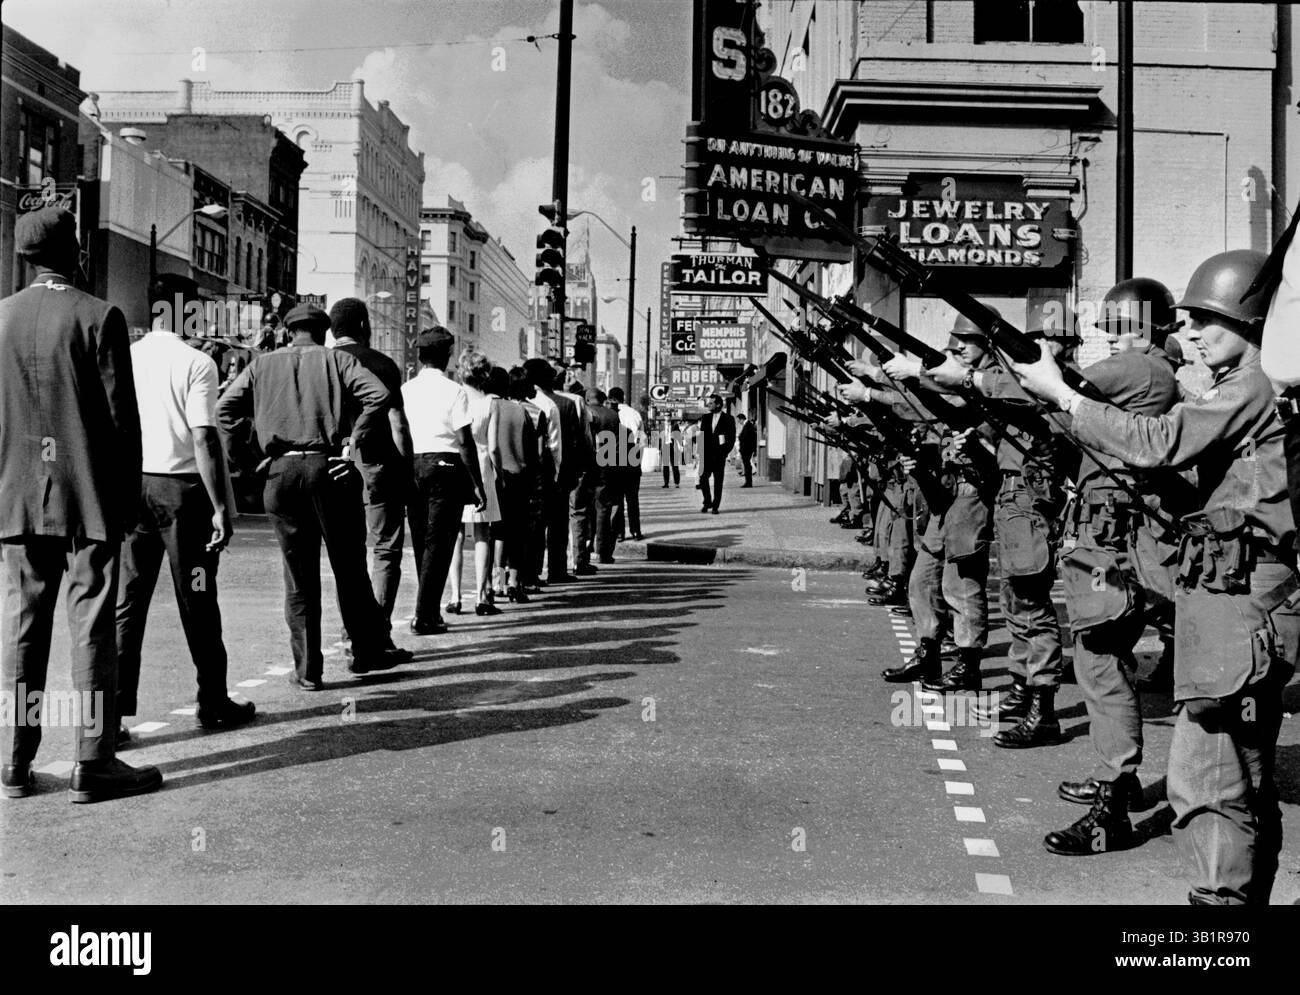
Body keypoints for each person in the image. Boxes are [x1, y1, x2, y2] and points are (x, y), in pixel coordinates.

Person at [1014, 250, 1300, 904]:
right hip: (1243, 604)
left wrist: (1061, 392)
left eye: (1206, 319)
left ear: (1250, 318)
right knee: (1246, 782)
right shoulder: (1255, 387)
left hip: (1239, 612)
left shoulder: (1252, 385)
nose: (1190, 331)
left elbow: (1159, 443)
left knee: (1206, 784)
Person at [0, 206, 162, 803]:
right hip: (87, 494)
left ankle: (15, 762)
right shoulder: (100, 316)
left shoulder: (0, 319)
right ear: (76, 253)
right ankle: (93, 760)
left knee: (22, 623)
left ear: (24, 256)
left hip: (16, 494)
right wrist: (127, 501)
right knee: (92, 619)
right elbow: (122, 421)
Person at [216, 303, 410, 689]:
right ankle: (365, 649)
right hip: (330, 469)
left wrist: (252, 459)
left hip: (281, 473)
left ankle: (308, 671)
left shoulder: (262, 365)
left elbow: (223, 411)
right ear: (323, 333)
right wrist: (354, 441)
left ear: (289, 332)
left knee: (298, 576)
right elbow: (379, 396)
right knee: (349, 568)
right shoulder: (337, 362)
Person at [114, 274, 254, 743]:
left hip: (134, 488)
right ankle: (212, 701)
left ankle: (111, 718)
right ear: (183, 311)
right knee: (197, 597)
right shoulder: (197, 363)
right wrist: (221, 506)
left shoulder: (125, 358)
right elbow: (203, 437)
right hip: (182, 493)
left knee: (128, 601)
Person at [330, 298, 413, 631]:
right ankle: (378, 629)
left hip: (334, 466)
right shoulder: (383, 364)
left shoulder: (323, 362)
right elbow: (399, 424)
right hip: (377, 464)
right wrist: (407, 471)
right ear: (364, 326)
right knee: (385, 549)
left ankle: (355, 631)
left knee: (346, 555)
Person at [404, 330, 487, 634]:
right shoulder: (455, 391)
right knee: (440, 544)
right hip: (446, 465)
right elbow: (464, 441)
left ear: (420, 355)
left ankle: (428, 609)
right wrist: (476, 483)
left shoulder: (406, 390)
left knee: (421, 540)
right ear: (447, 355)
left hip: (413, 465)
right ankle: (425, 615)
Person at [446, 350, 501, 615]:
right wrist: (498, 474)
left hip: (457, 466)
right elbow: (493, 447)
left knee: (455, 534)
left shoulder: (453, 395)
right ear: (484, 373)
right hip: (483, 468)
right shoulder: (490, 403)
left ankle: (455, 596)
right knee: (483, 534)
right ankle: (481, 596)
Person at [524, 358, 582, 583]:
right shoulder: (563, 404)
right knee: (557, 522)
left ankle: (532, 570)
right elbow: (568, 442)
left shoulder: (523, 400)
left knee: (534, 524)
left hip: (526, 470)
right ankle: (557, 570)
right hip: (555, 470)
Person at [493, 366, 540, 601]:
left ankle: (498, 584)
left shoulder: (487, 408)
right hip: (519, 478)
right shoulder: (520, 411)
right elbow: (533, 453)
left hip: (494, 478)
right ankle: (514, 583)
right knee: (518, 534)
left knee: (498, 534)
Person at [510, 366, 553, 593]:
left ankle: (507, 574)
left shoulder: (503, 408)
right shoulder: (537, 412)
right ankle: (529, 574)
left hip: (506, 473)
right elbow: (539, 451)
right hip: (531, 477)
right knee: (533, 527)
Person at [586, 388, 628, 564]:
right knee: (604, 509)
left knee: (582, 509)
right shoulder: (612, 415)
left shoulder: (586, 412)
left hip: (587, 467)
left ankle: (582, 551)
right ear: (603, 400)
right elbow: (618, 444)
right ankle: (602, 551)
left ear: (588, 399)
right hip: (608, 466)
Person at [607, 386, 644, 541]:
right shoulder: (635, 414)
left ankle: (620, 532)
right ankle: (636, 531)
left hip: (614, 462)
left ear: (611, 398)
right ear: (623, 397)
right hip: (632, 461)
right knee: (632, 499)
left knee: (617, 500)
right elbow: (642, 441)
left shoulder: (608, 414)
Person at [698, 395, 735, 514]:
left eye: (711, 403)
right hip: (706, 455)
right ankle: (707, 501)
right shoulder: (705, 418)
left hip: (719, 456)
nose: (708, 405)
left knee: (718, 482)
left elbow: (731, 438)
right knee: (703, 479)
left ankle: (715, 506)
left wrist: (724, 453)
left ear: (718, 404)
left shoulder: (729, 419)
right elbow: (701, 436)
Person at [737, 413, 757, 488]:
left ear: (742, 419)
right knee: (747, 465)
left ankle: (748, 482)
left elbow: (747, 438)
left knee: (747, 465)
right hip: (746, 449)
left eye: (739, 420)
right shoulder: (747, 425)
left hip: (747, 449)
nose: (739, 422)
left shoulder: (748, 425)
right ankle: (748, 482)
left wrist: (740, 437)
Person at [661, 417, 681, 488]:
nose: (667, 418)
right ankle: (666, 483)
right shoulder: (661, 425)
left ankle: (677, 483)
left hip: (673, 447)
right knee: (665, 466)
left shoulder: (675, 425)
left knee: (674, 465)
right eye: (665, 416)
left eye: (668, 416)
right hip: (664, 447)